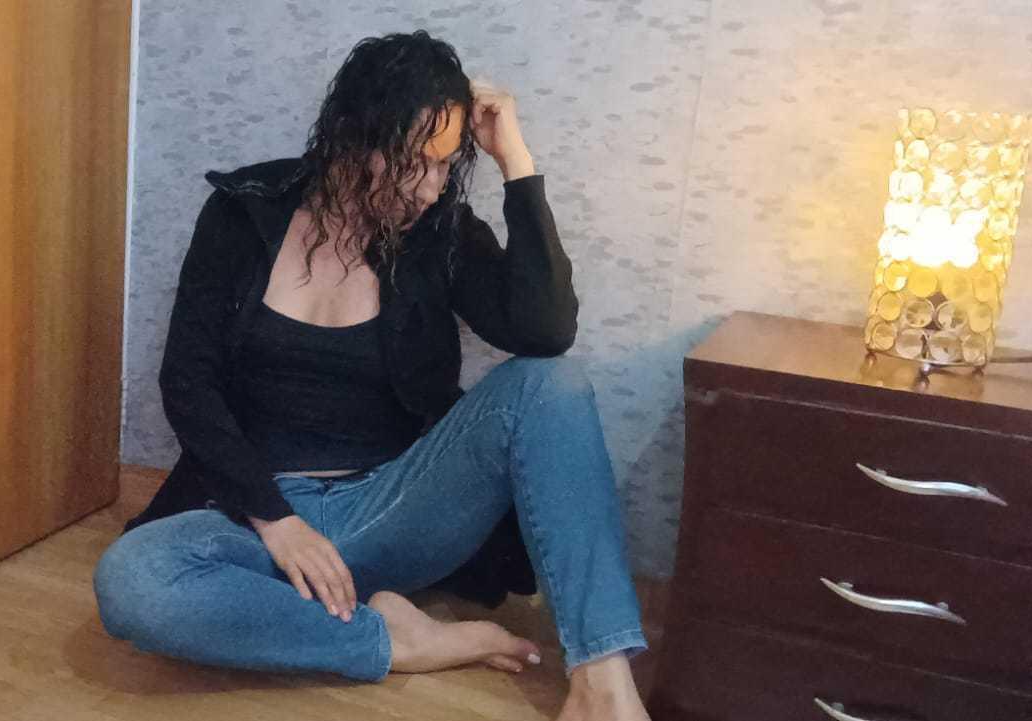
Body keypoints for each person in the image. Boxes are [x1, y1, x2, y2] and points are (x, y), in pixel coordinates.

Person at [93, 30, 651, 721]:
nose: (430, 189)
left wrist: (516, 161)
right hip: (256, 512)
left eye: (446, 166)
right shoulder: (244, 213)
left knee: (552, 384)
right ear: (353, 135)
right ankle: (393, 638)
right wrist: (277, 519)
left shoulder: (440, 231)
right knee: (134, 580)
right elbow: (187, 381)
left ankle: (602, 677)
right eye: (415, 163)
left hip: (395, 505)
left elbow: (545, 332)